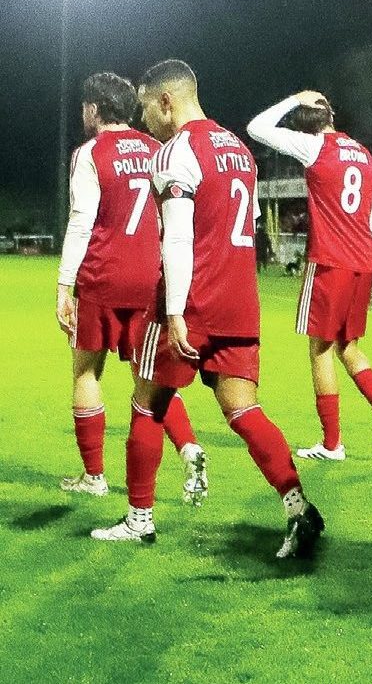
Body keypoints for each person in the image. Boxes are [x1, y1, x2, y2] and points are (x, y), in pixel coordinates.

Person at [93, 59, 323, 559]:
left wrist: (174, 310)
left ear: (166, 102)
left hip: (190, 300)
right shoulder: (239, 149)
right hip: (239, 300)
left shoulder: (177, 149)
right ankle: (298, 505)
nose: (146, 121)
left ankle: (139, 519)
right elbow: (252, 222)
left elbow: (176, 233)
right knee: (244, 410)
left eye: (147, 110)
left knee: (147, 404)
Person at [56, 72, 207, 501]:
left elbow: (82, 220)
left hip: (103, 276)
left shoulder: (90, 152)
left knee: (86, 370)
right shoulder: (159, 149)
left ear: (94, 109)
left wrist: (64, 284)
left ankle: (94, 476)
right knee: (149, 375)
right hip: (150, 277)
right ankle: (189, 446)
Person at [247, 91, 372, 461]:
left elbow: (256, 128)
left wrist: (292, 99)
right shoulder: (365, 155)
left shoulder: (315, 147)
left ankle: (332, 443)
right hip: (363, 260)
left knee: (319, 351)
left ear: (304, 123)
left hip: (330, 261)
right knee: (349, 347)